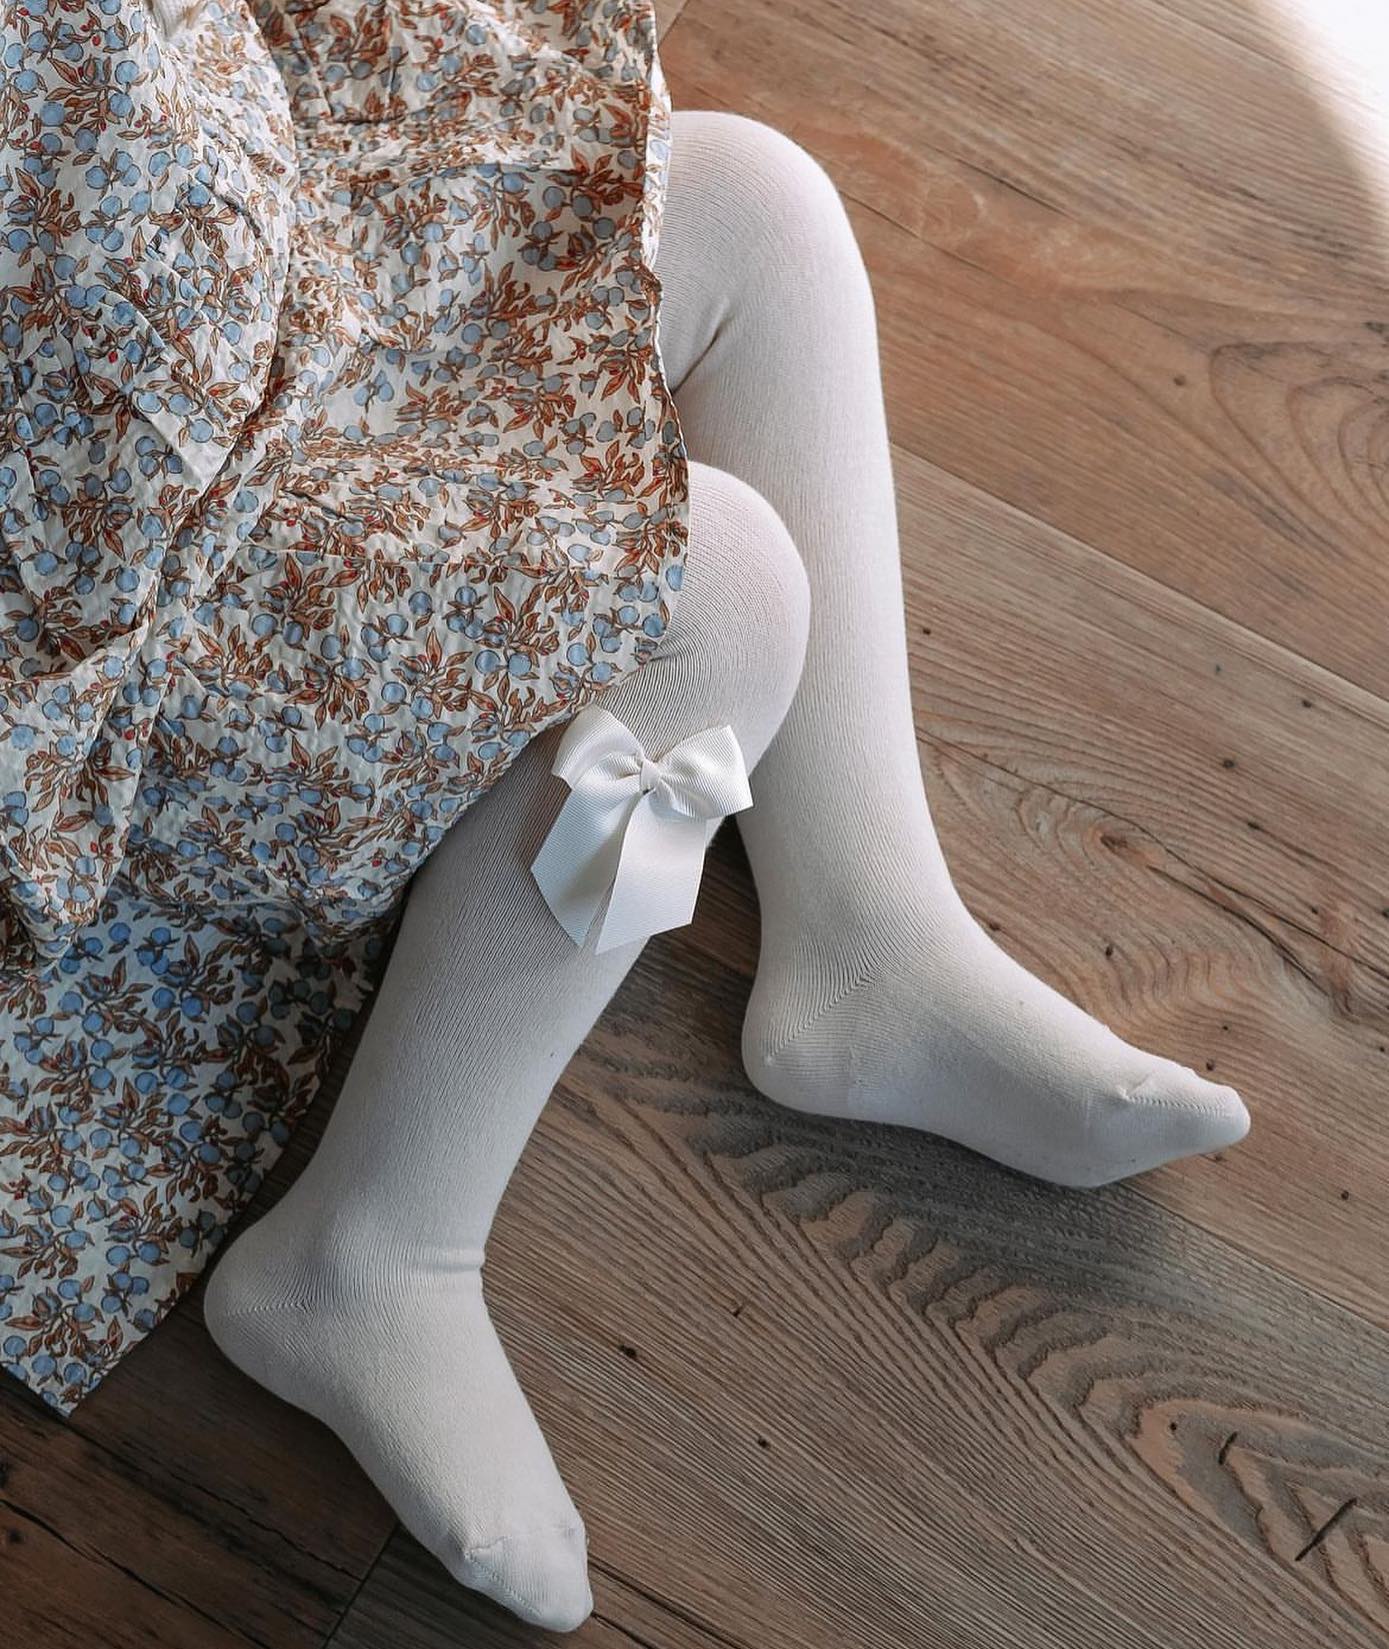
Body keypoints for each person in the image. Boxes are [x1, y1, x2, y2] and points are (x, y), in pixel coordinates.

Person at [203, 109, 1251, 1633]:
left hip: (231, 259)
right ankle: (370, 1244)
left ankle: (873, 935)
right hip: (114, 500)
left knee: (759, 211)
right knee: (718, 596)